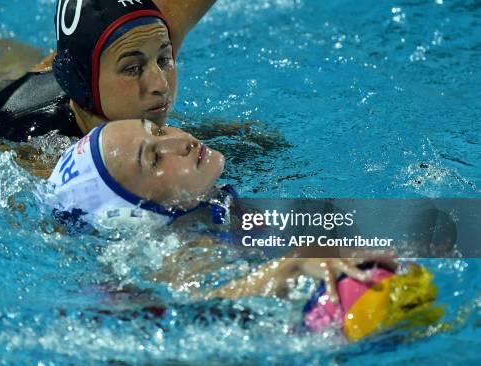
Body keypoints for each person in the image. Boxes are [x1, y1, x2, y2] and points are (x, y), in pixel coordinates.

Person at [44, 118, 396, 302]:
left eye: (158, 130)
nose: (179, 142)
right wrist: (289, 268)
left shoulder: (213, 208)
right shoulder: (178, 251)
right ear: (136, 214)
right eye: (154, 158)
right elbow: (200, 304)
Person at [0, 0, 258, 141]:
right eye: (133, 68)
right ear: (82, 84)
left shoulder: (142, 32)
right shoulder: (40, 154)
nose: (160, 84)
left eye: (164, 60)